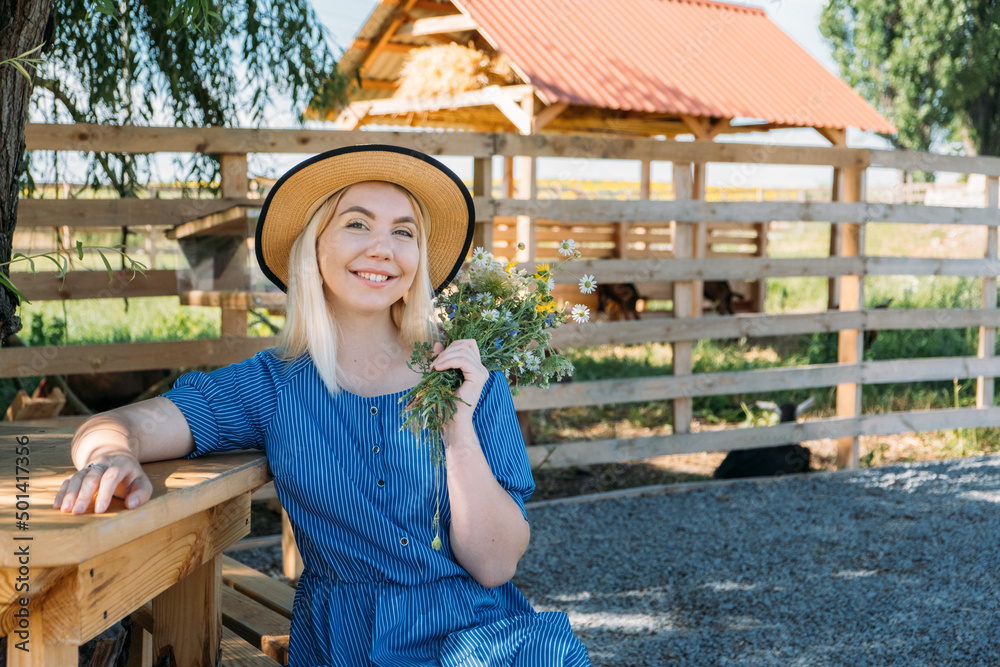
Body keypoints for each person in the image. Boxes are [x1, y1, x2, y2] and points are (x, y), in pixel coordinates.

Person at [53, 145, 592, 666]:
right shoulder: (274, 385)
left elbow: (496, 564)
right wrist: (109, 457)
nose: (382, 248)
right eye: (357, 224)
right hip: (349, 642)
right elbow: (122, 424)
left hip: (483, 638)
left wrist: (457, 429)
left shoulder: (467, 376)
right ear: (315, 246)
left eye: (403, 232)